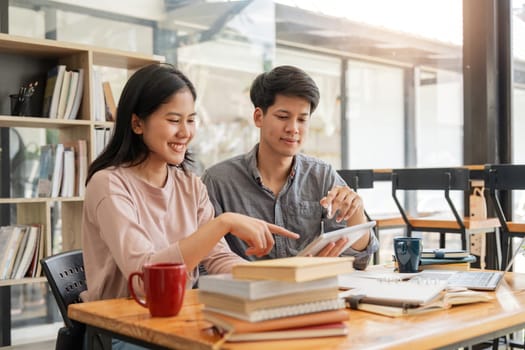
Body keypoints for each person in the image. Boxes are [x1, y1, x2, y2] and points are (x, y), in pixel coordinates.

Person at [81, 64, 298, 308]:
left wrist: (272, 281)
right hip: (120, 326)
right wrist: (222, 223)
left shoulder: (190, 185)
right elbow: (145, 281)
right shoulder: (109, 185)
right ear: (137, 124)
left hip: (177, 315)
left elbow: (217, 259)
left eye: (191, 120)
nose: (185, 132)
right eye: (174, 120)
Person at [201, 65, 378, 270]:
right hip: (246, 294)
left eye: (302, 119)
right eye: (283, 117)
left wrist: (356, 212)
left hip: (308, 293)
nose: (293, 129)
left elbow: (361, 260)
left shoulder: (321, 175)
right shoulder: (218, 181)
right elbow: (204, 264)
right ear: (259, 117)